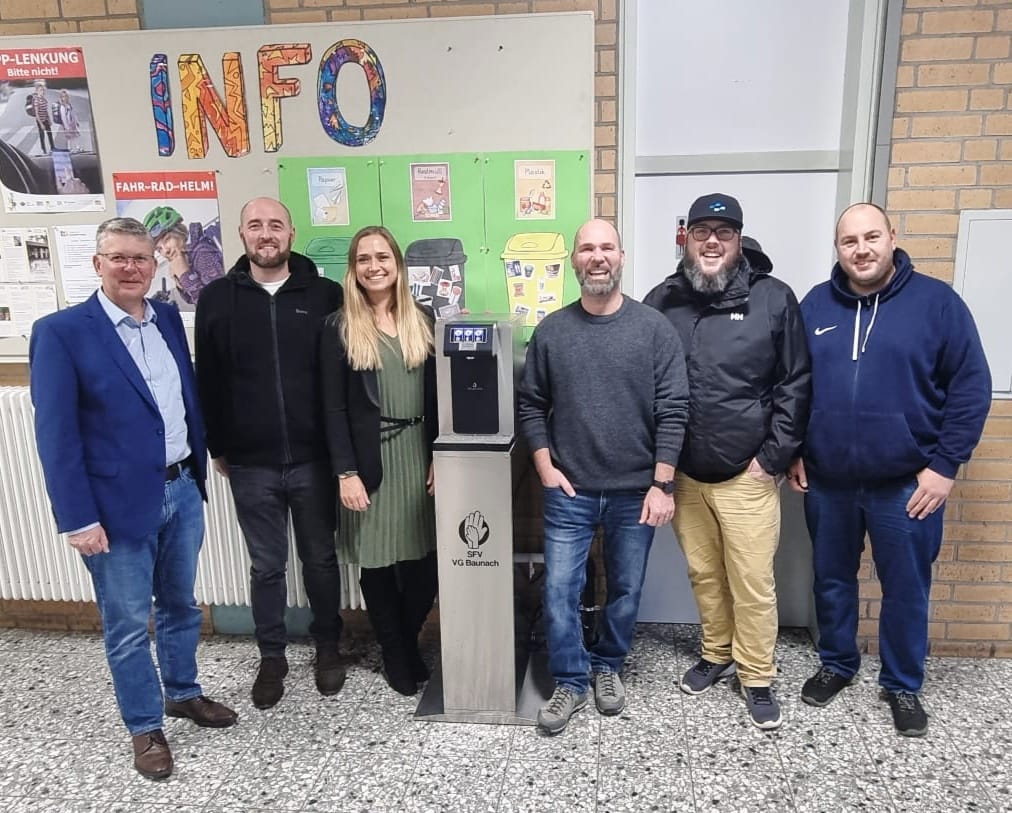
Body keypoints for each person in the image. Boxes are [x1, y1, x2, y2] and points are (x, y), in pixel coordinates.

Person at [29, 217, 237, 781]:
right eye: (118, 257)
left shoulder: (167, 318)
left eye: (141, 258)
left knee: (180, 606)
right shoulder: (62, 332)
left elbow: (182, 398)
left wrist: (202, 463)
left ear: (154, 263)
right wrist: (77, 518)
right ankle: (145, 727)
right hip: (115, 506)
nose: (131, 268)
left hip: (181, 488)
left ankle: (183, 693)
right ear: (97, 264)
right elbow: (56, 436)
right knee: (126, 623)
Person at [787, 203, 991, 737]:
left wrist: (944, 466)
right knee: (831, 580)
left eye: (871, 237)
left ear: (892, 237)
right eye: (849, 241)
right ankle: (837, 663)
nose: (861, 249)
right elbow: (793, 386)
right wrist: (794, 449)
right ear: (838, 248)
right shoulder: (815, 305)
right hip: (828, 480)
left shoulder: (937, 304)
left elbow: (971, 388)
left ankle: (902, 683)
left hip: (907, 483)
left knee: (905, 587)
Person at [643, 194, 811, 731]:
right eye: (701, 232)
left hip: (748, 475)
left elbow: (795, 384)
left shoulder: (773, 298)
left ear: (739, 241)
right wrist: (660, 467)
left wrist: (771, 459)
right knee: (704, 572)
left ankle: (757, 675)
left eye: (724, 232)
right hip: (684, 474)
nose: (712, 241)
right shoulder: (662, 300)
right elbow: (645, 382)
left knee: (752, 580)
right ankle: (716, 653)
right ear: (686, 239)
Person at [518, 218, 689, 735]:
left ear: (622, 257)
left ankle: (608, 665)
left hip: (635, 492)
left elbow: (674, 409)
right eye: (587, 248)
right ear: (574, 260)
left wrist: (662, 483)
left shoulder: (653, 329)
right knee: (559, 592)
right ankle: (571, 679)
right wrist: (545, 467)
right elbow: (531, 404)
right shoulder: (553, 331)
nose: (598, 257)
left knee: (626, 590)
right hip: (569, 491)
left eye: (607, 248)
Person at [195, 197, 346, 709]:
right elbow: (208, 377)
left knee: (320, 559)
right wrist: (218, 445)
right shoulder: (218, 298)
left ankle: (328, 646)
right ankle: (272, 655)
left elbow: (340, 378)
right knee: (266, 566)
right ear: (242, 234)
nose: (266, 234)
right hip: (250, 462)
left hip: (314, 459)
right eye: (256, 225)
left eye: (276, 225)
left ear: (291, 233)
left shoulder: (324, 294)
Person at [320, 225, 439, 696]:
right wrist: (345, 472)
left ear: (397, 264)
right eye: (364, 259)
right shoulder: (339, 327)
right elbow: (332, 409)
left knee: (424, 565)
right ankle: (396, 653)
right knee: (378, 566)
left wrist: (440, 456)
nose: (374, 266)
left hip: (418, 454)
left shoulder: (422, 318)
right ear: (353, 269)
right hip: (370, 462)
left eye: (382, 257)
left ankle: (405, 642)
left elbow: (438, 397)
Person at [144, 206, 224, 310]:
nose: (165, 251)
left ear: (179, 232)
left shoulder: (202, 254)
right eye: (159, 249)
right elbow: (192, 300)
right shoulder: (187, 258)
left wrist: (185, 275)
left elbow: (215, 306)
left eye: (167, 239)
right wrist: (181, 281)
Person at [30, 81, 55, 155]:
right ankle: (43, 150)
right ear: (37, 91)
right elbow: (37, 113)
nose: (42, 91)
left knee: (49, 134)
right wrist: (41, 124)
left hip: (46, 119)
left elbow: (46, 110)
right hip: (40, 120)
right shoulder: (36, 100)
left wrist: (49, 119)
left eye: (43, 90)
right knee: (42, 135)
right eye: (40, 90)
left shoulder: (44, 99)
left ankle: (53, 148)